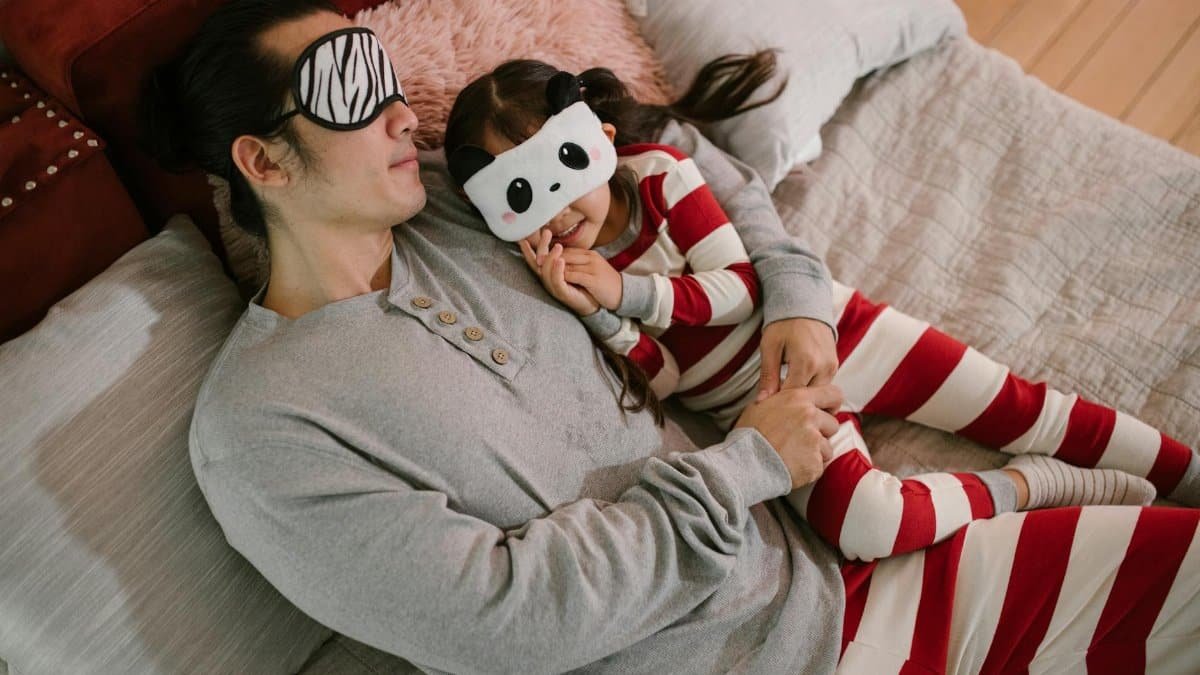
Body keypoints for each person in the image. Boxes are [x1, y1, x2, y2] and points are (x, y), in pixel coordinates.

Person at [137, 1, 1200, 672]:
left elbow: (660, 150)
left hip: (848, 571)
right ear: (265, 166)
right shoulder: (264, 429)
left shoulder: (466, 203)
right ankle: (1039, 483)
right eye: (349, 93)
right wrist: (745, 466)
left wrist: (789, 291)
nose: (401, 114)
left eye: (380, 67)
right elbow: (507, 625)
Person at [441, 59, 1177, 563]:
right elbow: (662, 378)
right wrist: (594, 312)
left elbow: (740, 288)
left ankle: (1186, 470)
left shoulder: (661, 176)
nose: (560, 208)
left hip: (837, 329)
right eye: (522, 196)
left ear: (598, 141)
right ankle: (1036, 484)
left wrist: (625, 291)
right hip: (766, 407)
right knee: (869, 524)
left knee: (1024, 406)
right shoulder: (563, 281)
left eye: (562, 174)